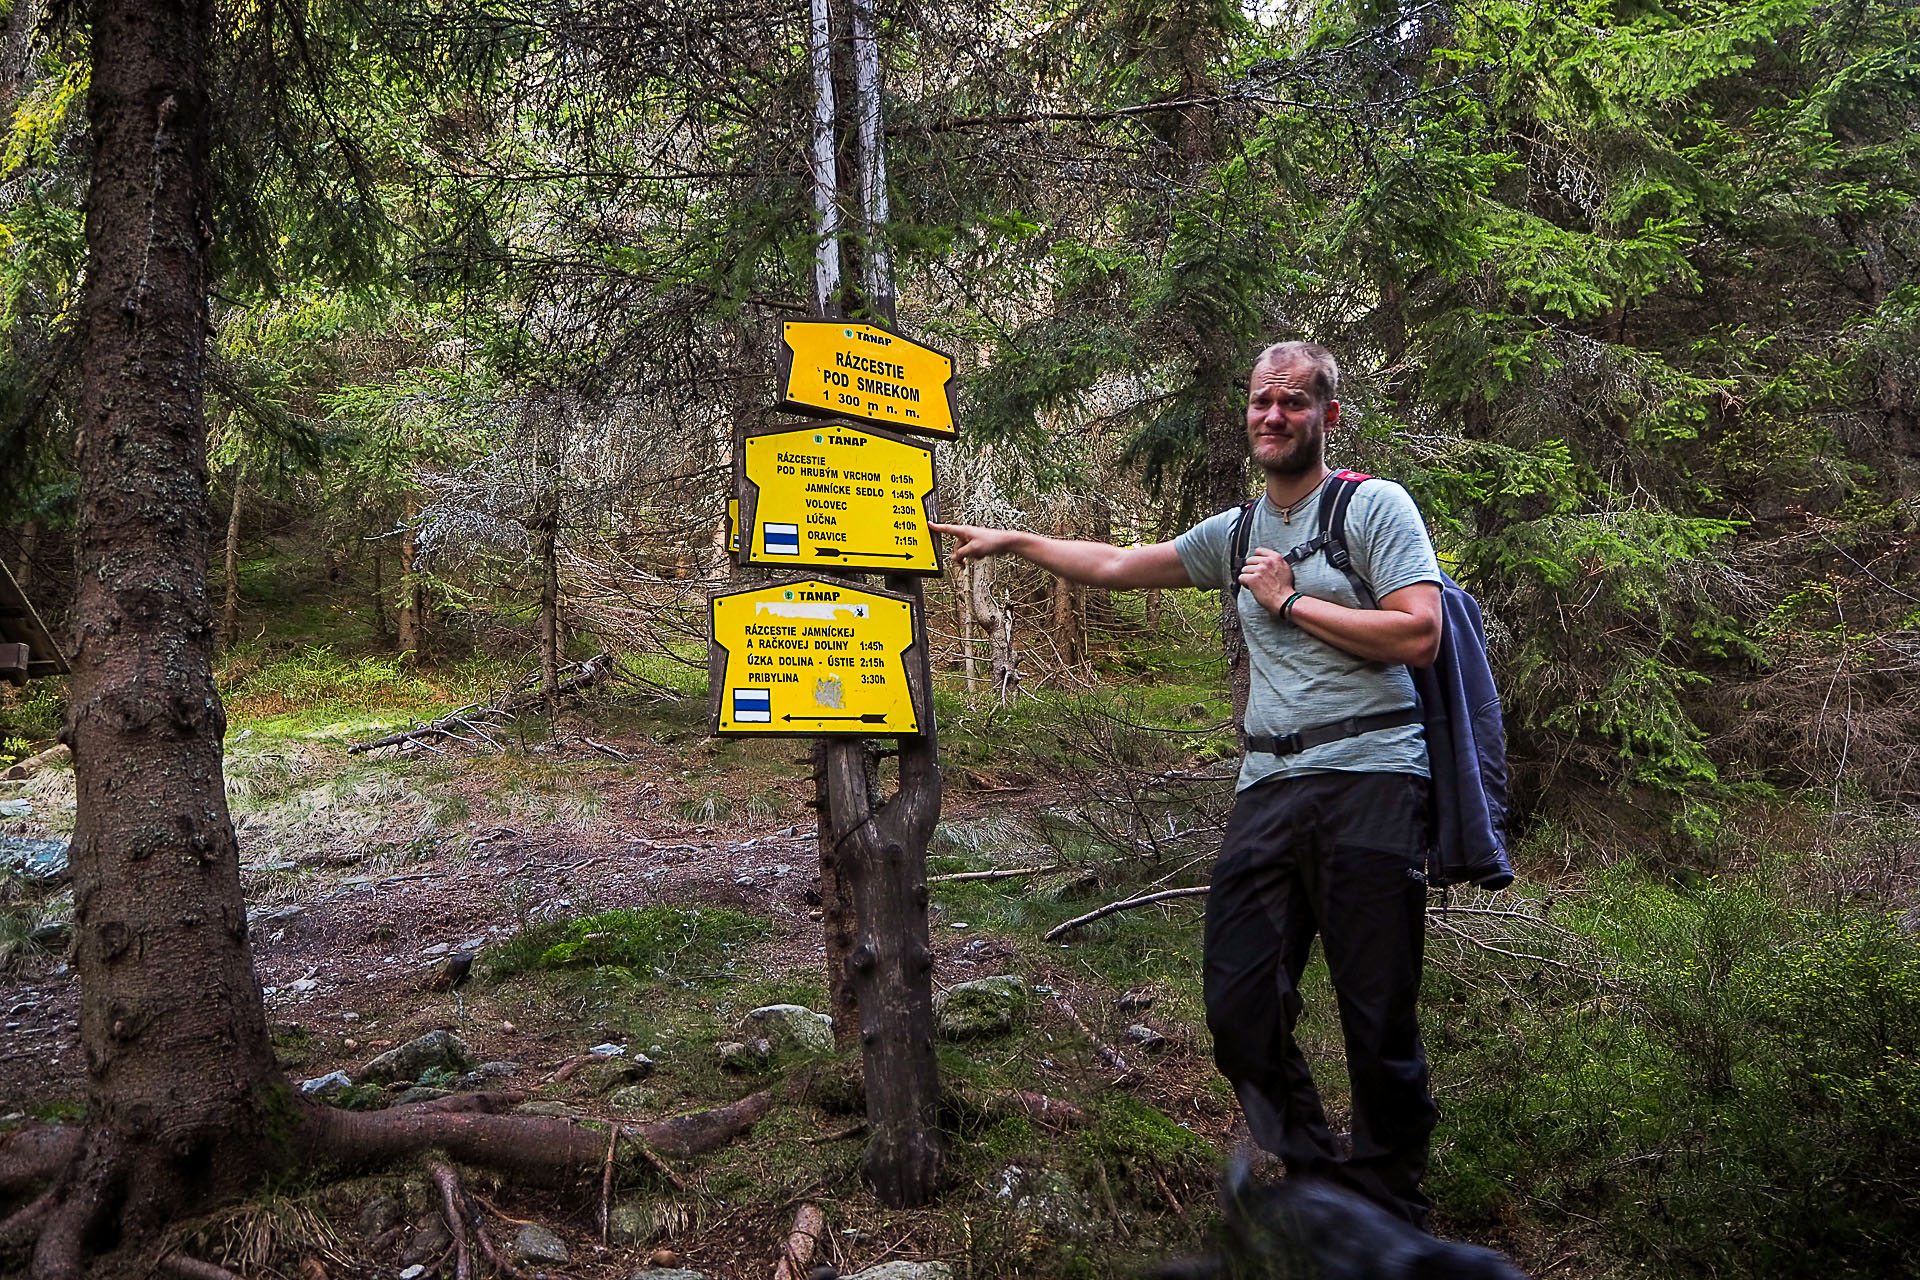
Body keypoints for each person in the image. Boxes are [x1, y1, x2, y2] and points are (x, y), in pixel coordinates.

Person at [931, 341, 1445, 1229]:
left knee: (1377, 1012)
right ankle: (1320, 1179)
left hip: (1371, 779)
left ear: (1327, 414)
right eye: (1260, 402)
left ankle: (1389, 1206)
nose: (1273, 416)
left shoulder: (1372, 508)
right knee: (1238, 1005)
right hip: (1269, 787)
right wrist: (1016, 541)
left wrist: (1288, 602)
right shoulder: (1239, 531)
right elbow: (1123, 562)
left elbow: (1417, 634)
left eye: (1292, 402)